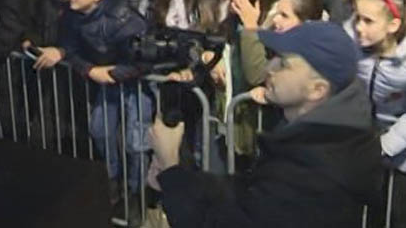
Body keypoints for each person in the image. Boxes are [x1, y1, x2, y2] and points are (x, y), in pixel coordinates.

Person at [153, 21, 384, 228]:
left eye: (283, 64)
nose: (268, 68)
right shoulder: (319, 140)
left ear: (317, 90)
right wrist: (187, 180)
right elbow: (247, 192)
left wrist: (169, 164)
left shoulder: (314, 175)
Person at [60, 0, 150, 223]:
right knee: (99, 130)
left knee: (136, 143)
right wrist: (90, 70)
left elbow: (142, 61)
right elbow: (70, 48)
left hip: (135, 84)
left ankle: (137, 194)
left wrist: (110, 73)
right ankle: (112, 182)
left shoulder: (124, 16)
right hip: (105, 82)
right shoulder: (72, 15)